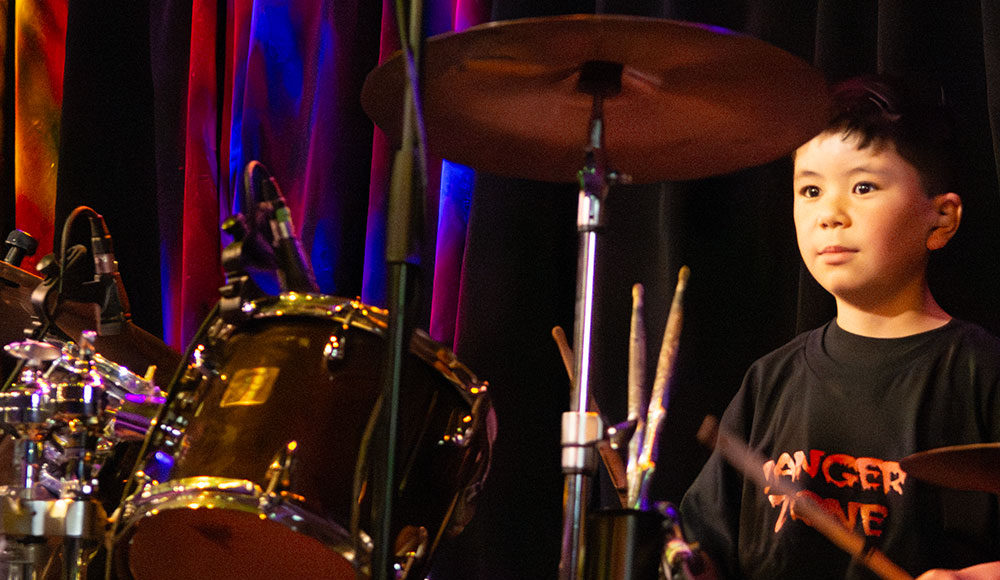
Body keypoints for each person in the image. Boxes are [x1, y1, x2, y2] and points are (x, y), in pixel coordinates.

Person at [678, 75, 1000, 580]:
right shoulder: (770, 381)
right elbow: (702, 546)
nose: (829, 214)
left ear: (940, 219)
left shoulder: (983, 373)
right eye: (810, 190)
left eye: (863, 186)